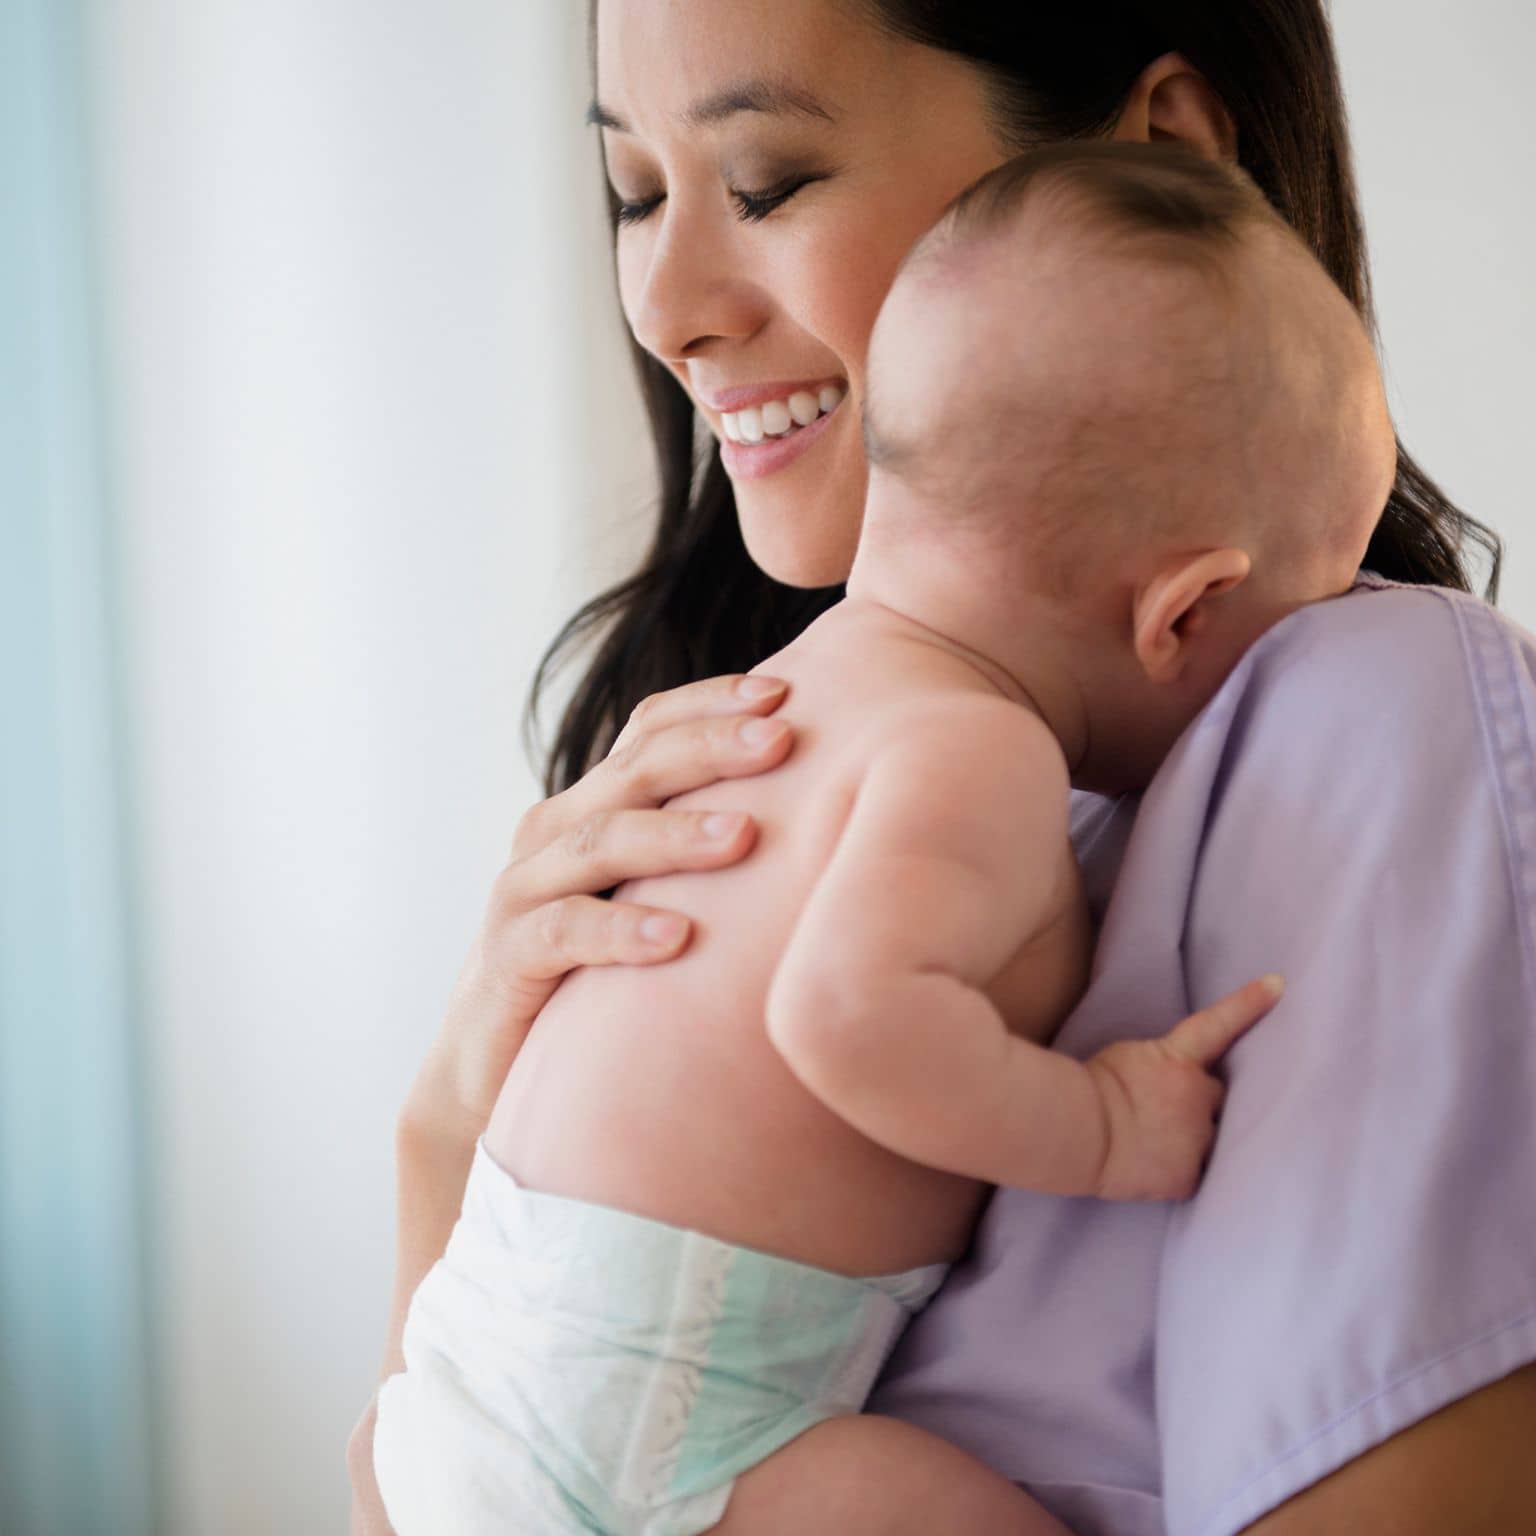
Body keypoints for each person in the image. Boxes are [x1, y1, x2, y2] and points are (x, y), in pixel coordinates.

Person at [350, 5, 1536, 1533]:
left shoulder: (1374, 722)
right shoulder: (754, 744)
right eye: (637, 195)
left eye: (767, 178)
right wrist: (450, 1117)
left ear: (1160, 151)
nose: (666, 303)